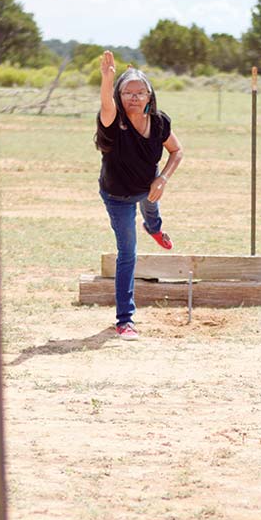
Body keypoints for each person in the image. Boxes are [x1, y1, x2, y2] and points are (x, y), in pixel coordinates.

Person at [95, 53, 183, 340]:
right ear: (120, 96)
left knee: (151, 203)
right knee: (128, 253)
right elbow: (106, 106)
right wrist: (108, 79)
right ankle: (125, 320)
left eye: (140, 92)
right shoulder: (113, 121)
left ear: (149, 96)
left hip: (147, 185)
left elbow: (177, 151)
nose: (134, 97)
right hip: (117, 195)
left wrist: (164, 177)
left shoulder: (159, 123)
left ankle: (154, 228)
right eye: (127, 92)